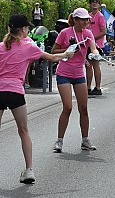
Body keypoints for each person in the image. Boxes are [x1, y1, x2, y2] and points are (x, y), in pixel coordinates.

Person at [0, 14, 74, 184]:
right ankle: (29, 170)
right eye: (27, 27)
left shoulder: (1, 47)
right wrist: (67, 54)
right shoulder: (29, 47)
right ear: (24, 29)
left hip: (0, 90)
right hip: (16, 92)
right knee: (24, 131)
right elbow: (52, 57)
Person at [52, 8, 99, 153]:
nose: (86, 22)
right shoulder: (65, 33)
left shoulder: (88, 33)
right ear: (76, 20)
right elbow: (54, 50)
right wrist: (67, 51)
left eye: (87, 19)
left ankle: (85, 140)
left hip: (79, 74)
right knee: (67, 107)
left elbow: (93, 48)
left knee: (83, 109)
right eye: (84, 19)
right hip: (64, 73)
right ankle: (59, 141)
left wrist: (95, 54)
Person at [86, 0, 106, 95]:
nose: (94, 4)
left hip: (97, 45)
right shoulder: (88, 16)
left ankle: (98, 87)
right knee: (88, 65)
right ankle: (88, 87)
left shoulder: (100, 16)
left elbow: (104, 31)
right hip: (88, 44)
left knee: (96, 65)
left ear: (99, 5)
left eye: (96, 2)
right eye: (92, 3)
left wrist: (93, 38)